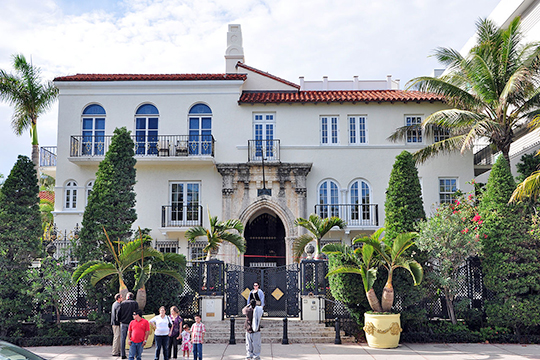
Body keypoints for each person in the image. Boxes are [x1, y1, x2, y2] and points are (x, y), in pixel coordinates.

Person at [118, 292, 139, 359]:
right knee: (134, 338)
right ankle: (135, 353)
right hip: (133, 323)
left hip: (124, 323)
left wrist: (120, 320)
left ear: (127, 297)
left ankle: (123, 354)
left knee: (123, 339)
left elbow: (118, 313)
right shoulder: (135, 303)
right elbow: (137, 313)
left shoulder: (122, 303)